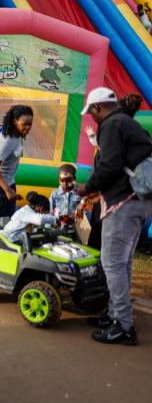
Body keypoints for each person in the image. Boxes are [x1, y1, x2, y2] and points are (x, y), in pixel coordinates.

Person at [76, 87, 152, 345]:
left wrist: (87, 188)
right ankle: (114, 315)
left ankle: (123, 326)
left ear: (97, 108)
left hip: (123, 205)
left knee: (113, 264)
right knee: (122, 263)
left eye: (91, 113)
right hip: (137, 203)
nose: (92, 118)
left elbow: (108, 165)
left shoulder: (112, 124)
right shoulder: (129, 124)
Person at [0, 105, 33, 218]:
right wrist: (7, 190)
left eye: (30, 124)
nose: (28, 127)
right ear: (15, 122)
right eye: (24, 124)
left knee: (8, 219)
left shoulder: (17, 135)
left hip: (6, 181)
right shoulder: (7, 141)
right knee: (0, 221)